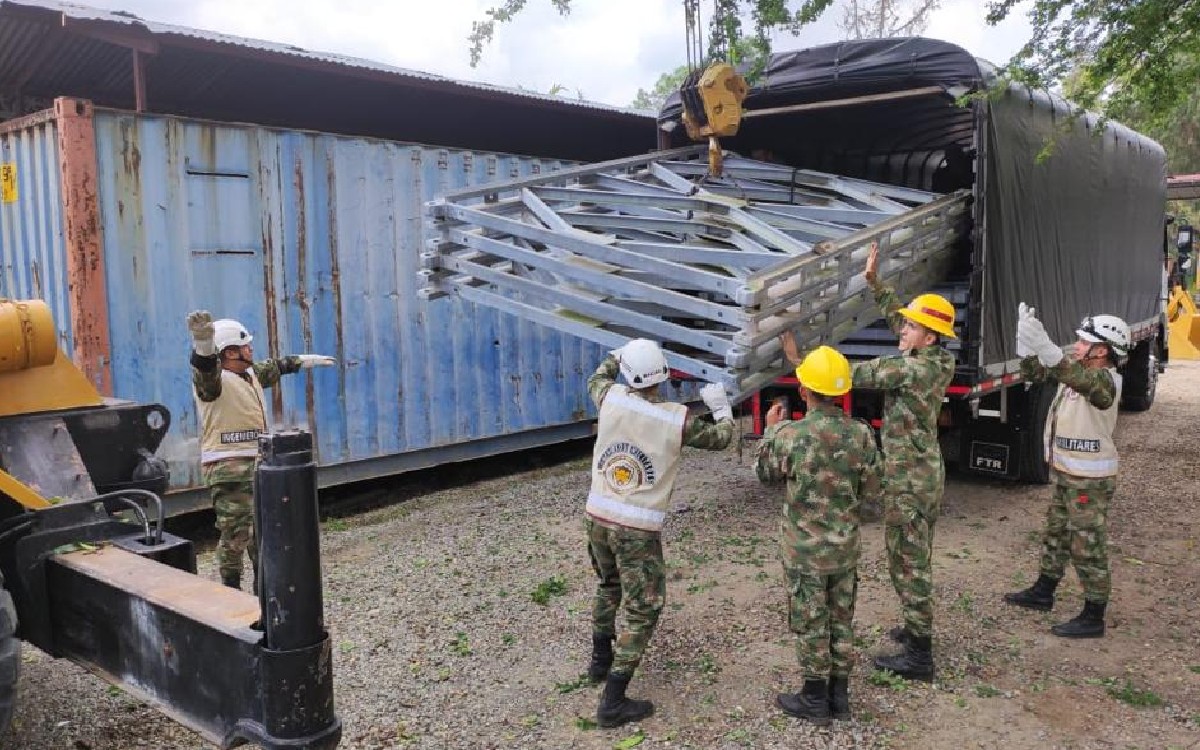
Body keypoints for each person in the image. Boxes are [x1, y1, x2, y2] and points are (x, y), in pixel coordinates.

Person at [780, 242, 955, 681]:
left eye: (911, 328)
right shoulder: (935, 358)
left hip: (909, 482)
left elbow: (847, 376)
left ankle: (920, 655)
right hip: (924, 473)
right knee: (914, 555)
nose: (902, 330)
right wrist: (876, 283)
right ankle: (916, 630)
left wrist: (802, 362)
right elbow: (899, 317)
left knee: (908, 562)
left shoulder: (909, 370)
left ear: (928, 337)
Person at [584, 338, 735, 728]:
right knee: (644, 607)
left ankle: (599, 663)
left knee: (608, 584)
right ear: (663, 377)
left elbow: (597, 377)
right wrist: (722, 410)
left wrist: (615, 355)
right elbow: (721, 440)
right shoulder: (675, 418)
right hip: (636, 529)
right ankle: (613, 701)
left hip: (598, 516)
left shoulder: (610, 398)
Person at [755, 346, 881, 725]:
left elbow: (765, 475)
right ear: (842, 392)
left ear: (803, 391)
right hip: (845, 549)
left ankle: (813, 699)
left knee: (811, 622)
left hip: (804, 553)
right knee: (841, 618)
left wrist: (771, 428)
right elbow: (873, 495)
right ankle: (839, 697)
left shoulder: (792, 435)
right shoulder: (861, 435)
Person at [1003, 304, 1128, 638]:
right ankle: (1043, 591)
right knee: (1056, 534)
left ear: (1102, 351)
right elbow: (1036, 375)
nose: (1077, 345)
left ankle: (1093, 615)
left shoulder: (1105, 380)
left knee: (1087, 545)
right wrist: (1027, 348)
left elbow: (1082, 382)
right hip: (1065, 471)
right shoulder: (1077, 370)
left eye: (1085, 342)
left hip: (1089, 478)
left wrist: (1047, 348)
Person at [187, 310, 335, 590]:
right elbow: (205, 370)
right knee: (236, 535)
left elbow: (273, 367)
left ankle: (263, 592)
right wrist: (204, 345)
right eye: (245, 345)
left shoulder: (249, 374)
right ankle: (230, 590)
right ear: (229, 352)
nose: (250, 348)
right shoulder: (213, 383)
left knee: (263, 534)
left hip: (257, 464)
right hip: (228, 468)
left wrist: (299, 362)